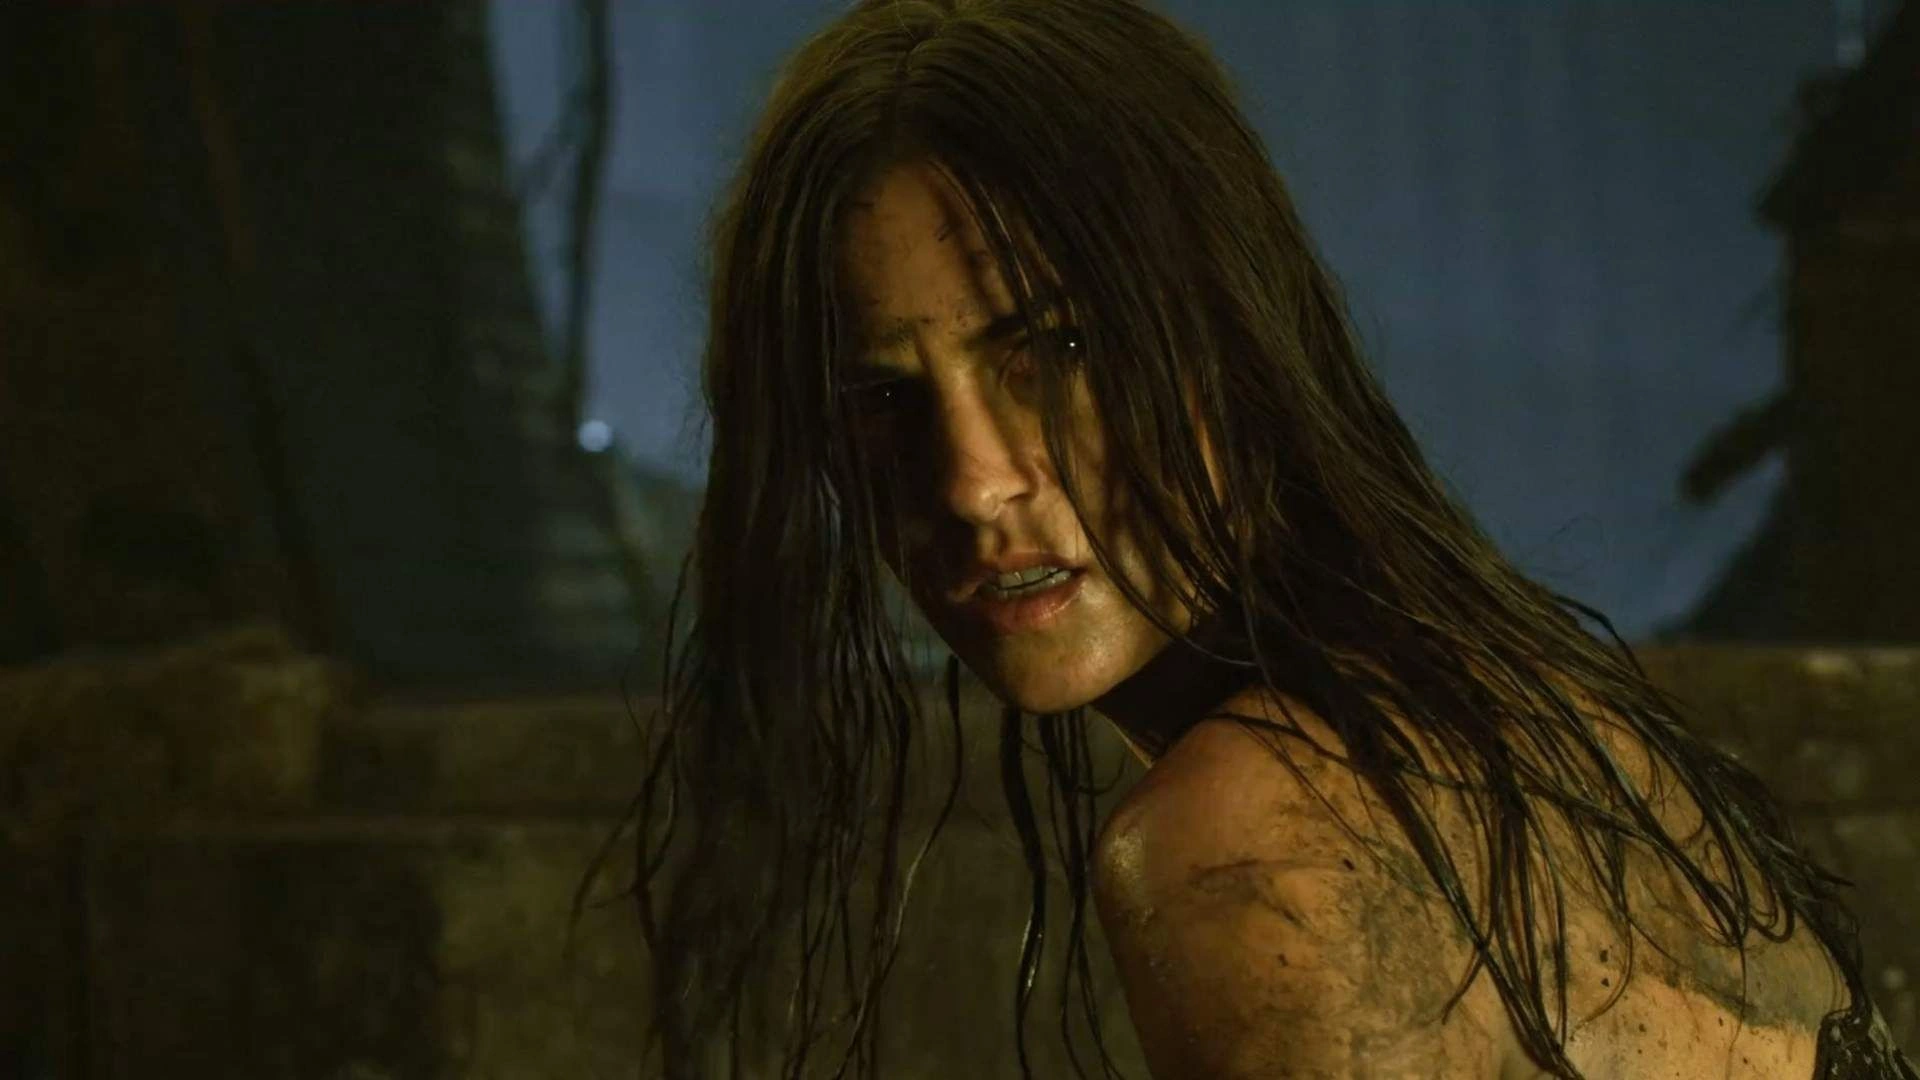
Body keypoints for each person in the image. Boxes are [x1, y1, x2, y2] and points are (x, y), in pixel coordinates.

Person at [625, 2, 1918, 1077]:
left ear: (1228, 331)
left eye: (1056, 349)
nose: (971, 483)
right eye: (880, 398)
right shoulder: (1531, 722)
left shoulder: (1257, 842)